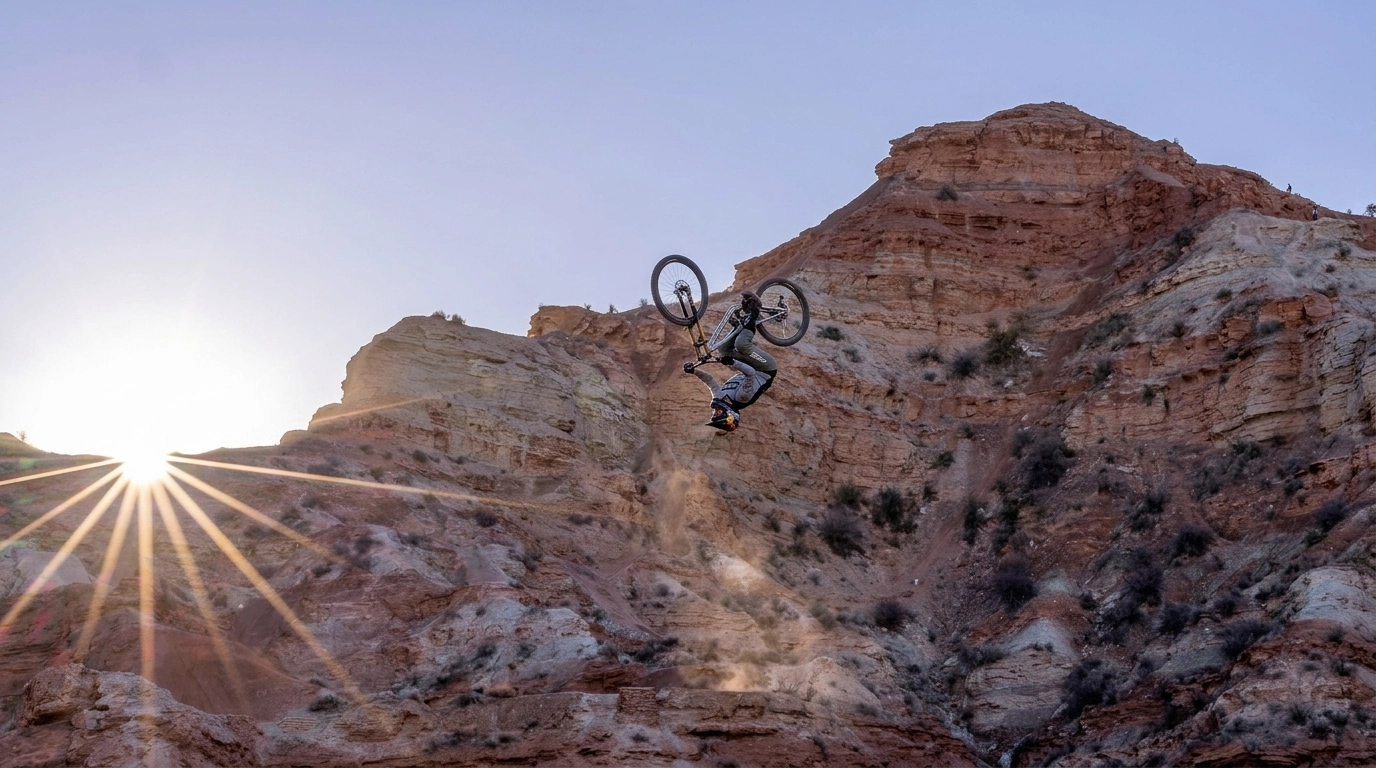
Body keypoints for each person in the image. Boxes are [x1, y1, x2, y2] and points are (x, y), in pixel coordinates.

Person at [684, 290, 778, 431]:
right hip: (765, 368)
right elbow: (751, 373)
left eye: (714, 414)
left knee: (723, 349)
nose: (714, 411)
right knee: (742, 345)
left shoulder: (721, 397)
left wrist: (694, 371)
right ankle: (754, 311)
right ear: (730, 415)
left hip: (750, 366)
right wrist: (733, 363)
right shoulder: (742, 397)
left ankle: (741, 324)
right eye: (717, 414)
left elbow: (710, 381)